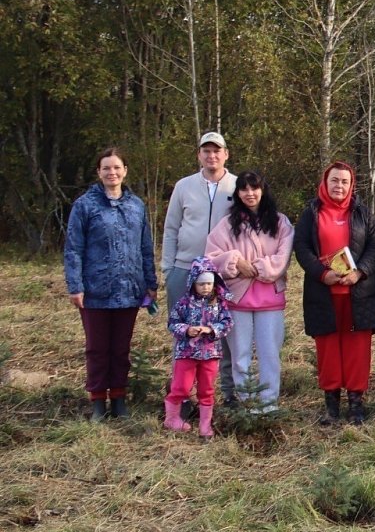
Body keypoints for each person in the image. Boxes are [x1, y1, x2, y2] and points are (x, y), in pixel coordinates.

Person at [63, 147, 156, 421]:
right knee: (97, 348)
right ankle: (97, 401)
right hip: (95, 290)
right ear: (99, 172)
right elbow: (73, 248)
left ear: (125, 171)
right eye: (106, 168)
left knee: (120, 348)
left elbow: (145, 247)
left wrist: (150, 283)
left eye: (116, 167)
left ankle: (118, 398)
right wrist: (75, 285)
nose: (111, 173)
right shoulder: (85, 205)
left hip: (129, 289)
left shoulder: (136, 206)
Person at [293, 162, 375, 426]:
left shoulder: (363, 213)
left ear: (352, 184)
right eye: (334, 180)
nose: (339, 186)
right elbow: (301, 247)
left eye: (344, 181)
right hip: (323, 294)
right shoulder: (311, 213)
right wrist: (322, 274)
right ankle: (331, 406)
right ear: (325, 182)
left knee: (357, 350)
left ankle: (356, 404)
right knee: (328, 350)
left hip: (358, 295)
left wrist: (360, 272)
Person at [205, 171, 293, 412]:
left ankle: (268, 404)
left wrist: (255, 268)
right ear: (238, 193)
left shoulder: (280, 222)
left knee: (270, 354)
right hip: (238, 299)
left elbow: (282, 258)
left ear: (263, 190)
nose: (250, 193)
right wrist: (234, 261)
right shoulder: (227, 224)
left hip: (270, 299)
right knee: (240, 356)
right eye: (244, 189)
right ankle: (247, 404)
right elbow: (211, 257)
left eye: (254, 188)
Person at [161, 132, 237, 309]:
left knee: (219, 324)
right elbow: (171, 229)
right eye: (206, 151)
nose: (212, 156)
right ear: (199, 155)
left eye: (216, 151)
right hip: (185, 268)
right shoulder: (183, 186)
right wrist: (169, 271)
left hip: (222, 271)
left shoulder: (238, 186)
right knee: (183, 323)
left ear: (226, 154)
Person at [164, 257, 232, 438]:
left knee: (207, 389)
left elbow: (227, 323)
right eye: (201, 284)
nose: (205, 287)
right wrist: (187, 330)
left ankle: (205, 425)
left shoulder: (219, 303)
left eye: (209, 283)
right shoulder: (184, 303)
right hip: (186, 352)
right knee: (181, 386)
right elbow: (172, 323)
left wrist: (212, 329)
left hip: (210, 353)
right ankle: (171, 418)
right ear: (193, 283)